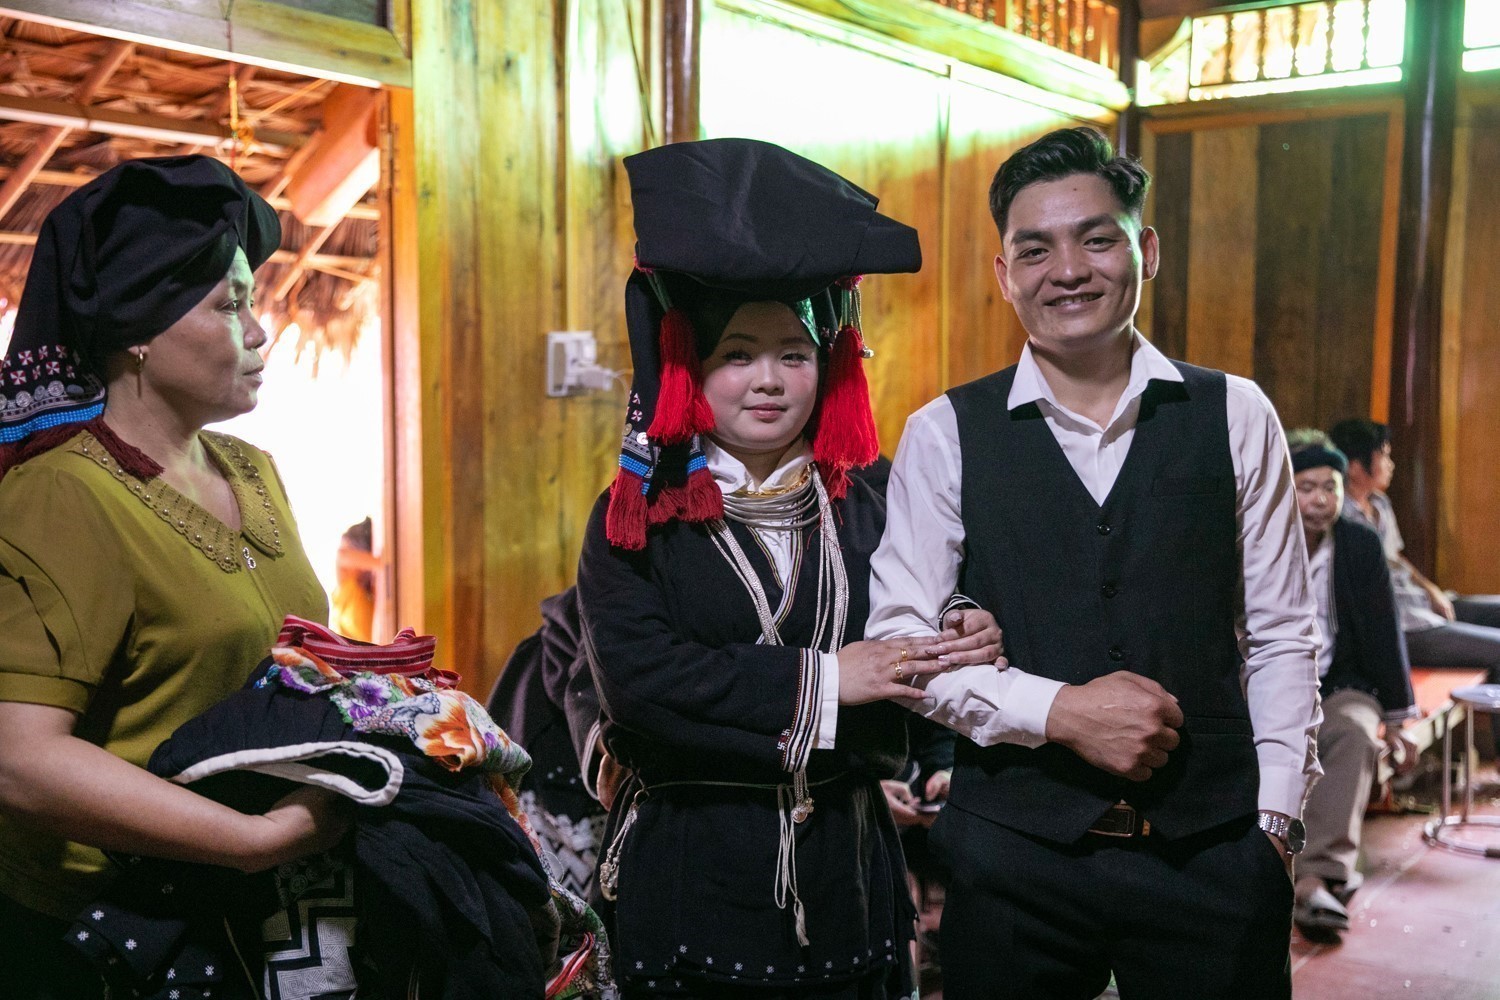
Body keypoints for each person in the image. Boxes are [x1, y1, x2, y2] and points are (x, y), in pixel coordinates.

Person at [866, 127, 1322, 999]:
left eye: (1097, 239)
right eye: (1035, 249)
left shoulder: (1236, 412)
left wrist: (1275, 823)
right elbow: (902, 644)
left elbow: (1282, 634)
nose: (1068, 270)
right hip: (1012, 862)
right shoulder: (943, 432)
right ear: (1005, 273)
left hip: (1213, 854)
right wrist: (1060, 711)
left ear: (1146, 250)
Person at [575, 138, 1004, 999]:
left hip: (848, 874)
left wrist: (959, 622)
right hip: (688, 876)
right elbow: (643, 687)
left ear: (828, 365)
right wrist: (832, 680)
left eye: (794, 354)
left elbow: (915, 637)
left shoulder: (877, 502)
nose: (768, 381)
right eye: (737, 354)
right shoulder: (637, 513)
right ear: (691, 367)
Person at [0, 156, 346, 998]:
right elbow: (18, 759)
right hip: (103, 941)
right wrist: (252, 839)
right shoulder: (61, 496)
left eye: (253, 302)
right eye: (229, 305)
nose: (258, 331)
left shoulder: (253, 471)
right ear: (139, 331)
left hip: (244, 919)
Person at [1286, 431, 1416, 940]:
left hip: (1341, 681)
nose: (1320, 500)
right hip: (1267, 679)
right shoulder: (1257, 538)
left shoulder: (1359, 543)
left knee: (1355, 734)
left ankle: (1316, 876)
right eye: (1307, 487)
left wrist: (1399, 719)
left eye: (1331, 487)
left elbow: (1385, 631)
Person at [1329, 418, 1500, 684]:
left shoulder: (1380, 504)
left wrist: (1431, 589)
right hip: (1405, 625)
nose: (1391, 464)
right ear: (1354, 467)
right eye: (1384, 456)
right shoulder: (1340, 519)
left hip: (1418, 600)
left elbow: (1395, 558)